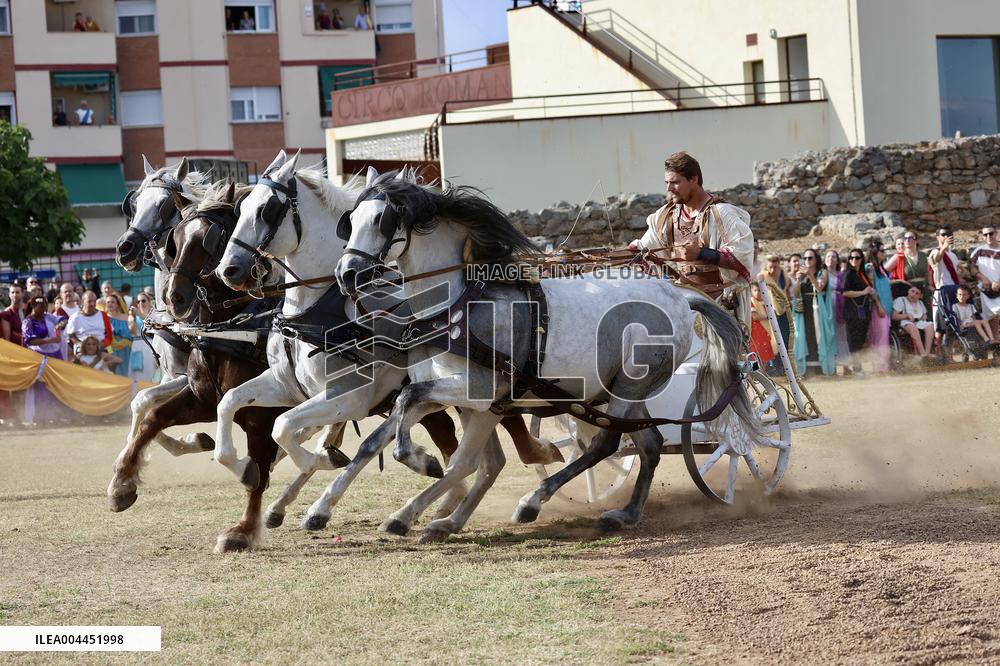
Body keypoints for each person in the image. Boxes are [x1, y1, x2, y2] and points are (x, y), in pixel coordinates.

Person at [629, 151, 754, 325]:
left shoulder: (722, 214)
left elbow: (742, 257)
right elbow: (645, 248)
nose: (669, 188)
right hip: (684, 305)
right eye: (667, 183)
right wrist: (627, 254)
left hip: (720, 307)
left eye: (675, 182)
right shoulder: (666, 216)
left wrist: (701, 253)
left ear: (693, 179)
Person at [841, 249, 873, 375]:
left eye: (857, 257)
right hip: (852, 312)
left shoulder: (862, 274)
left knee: (860, 340)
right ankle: (857, 368)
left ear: (861, 259)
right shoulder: (848, 274)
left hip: (863, 311)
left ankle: (858, 367)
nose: (854, 260)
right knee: (854, 341)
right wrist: (863, 292)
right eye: (851, 258)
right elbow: (845, 292)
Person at [928, 226, 961, 341]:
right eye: (944, 234)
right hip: (941, 291)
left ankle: (949, 352)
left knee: (953, 322)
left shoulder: (953, 255)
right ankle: (939, 352)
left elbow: (956, 272)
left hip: (954, 290)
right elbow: (934, 260)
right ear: (937, 237)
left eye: (949, 234)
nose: (947, 237)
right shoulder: (935, 251)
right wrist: (943, 248)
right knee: (940, 324)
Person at [884, 229, 930, 310]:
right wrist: (897, 281)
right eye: (905, 238)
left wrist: (930, 286)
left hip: (923, 290)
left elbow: (927, 273)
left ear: (916, 241)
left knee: (926, 315)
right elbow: (882, 272)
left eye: (910, 238)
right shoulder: (899, 257)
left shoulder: (923, 256)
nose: (907, 240)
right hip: (907, 292)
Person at [865, 241, 893, 373]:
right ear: (874, 252)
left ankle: (882, 367)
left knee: (883, 338)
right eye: (882, 251)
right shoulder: (870, 267)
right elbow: (872, 290)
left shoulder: (880, 268)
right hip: (878, 309)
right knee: (879, 339)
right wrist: (879, 306)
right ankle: (880, 369)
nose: (884, 253)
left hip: (885, 309)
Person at [970, 224, 1000, 339]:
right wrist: (983, 278)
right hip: (986, 290)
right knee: (991, 317)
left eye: (991, 233)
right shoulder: (979, 251)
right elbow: (972, 268)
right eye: (985, 234)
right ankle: (997, 343)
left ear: (996, 233)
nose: (988, 236)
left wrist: (998, 282)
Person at [892, 285, 935, 357]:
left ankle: (927, 352)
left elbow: (924, 315)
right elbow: (893, 316)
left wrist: (924, 316)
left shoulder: (920, 303)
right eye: (912, 291)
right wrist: (906, 315)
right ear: (908, 291)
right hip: (905, 321)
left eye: (917, 293)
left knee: (930, 325)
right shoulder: (901, 300)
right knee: (912, 327)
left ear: (920, 296)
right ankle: (922, 353)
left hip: (918, 322)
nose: (913, 294)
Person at [66, 291, 112, 356]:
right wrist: (80, 344)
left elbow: (110, 334)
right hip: (83, 348)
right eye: (89, 301)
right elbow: (71, 335)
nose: (92, 304)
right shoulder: (75, 317)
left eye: (94, 301)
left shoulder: (103, 315)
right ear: (82, 301)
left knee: (113, 356)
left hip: (102, 347)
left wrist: (103, 344)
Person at [103, 295, 136, 377]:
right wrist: (110, 352)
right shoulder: (104, 318)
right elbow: (105, 338)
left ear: (117, 304)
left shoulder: (126, 317)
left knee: (128, 374)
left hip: (127, 350)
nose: (110, 304)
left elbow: (132, 333)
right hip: (111, 349)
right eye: (108, 302)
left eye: (113, 302)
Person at [129, 292, 156, 382]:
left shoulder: (154, 314)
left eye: (143, 301)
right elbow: (131, 332)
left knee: (151, 372)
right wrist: (132, 317)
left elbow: (151, 326)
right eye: (138, 301)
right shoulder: (133, 316)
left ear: (149, 302)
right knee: (136, 373)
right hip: (137, 345)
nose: (140, 303)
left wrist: (139, 314)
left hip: (150, 344)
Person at [748, 282, 776, 365]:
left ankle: (765, 374)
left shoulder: (766, 302)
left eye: (759, 290)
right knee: (756, 355)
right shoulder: (751, 302)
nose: (757, 293)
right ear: (751, 292)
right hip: (756, 333)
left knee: (765, 357)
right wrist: (769, 316)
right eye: (755, 290)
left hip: (765, 333)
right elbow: (755, 316)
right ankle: (758, 375)